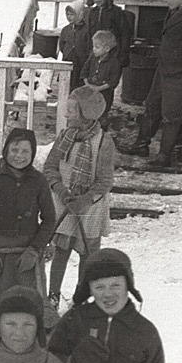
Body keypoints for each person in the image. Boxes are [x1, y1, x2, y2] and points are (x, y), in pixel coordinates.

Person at [0, 128, 56, 327]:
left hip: (26, 257)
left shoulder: (39, 181)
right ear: (6, 150)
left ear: (32, 154)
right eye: (15, 150)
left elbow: (49, 220)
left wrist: (35, 251)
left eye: (25, 151)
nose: (19, 156)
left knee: (29, 307)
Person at [119, 0, 182, 170]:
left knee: (171, 115)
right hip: (163, 71)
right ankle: (142, 145)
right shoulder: (176, 10)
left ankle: (164, 156)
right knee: (152, 106)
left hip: (177, 75)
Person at [43, 86, 116, 307]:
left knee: (87, 255)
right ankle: (53, 296)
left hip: (90, 208)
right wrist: (61, 190)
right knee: (61, 251)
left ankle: (80, 298)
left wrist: (85, 200)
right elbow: (50, 167)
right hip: (64, 202)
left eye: (71, 110)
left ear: (86, 113)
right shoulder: (66, 136)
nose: (66, 115)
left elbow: (104, 181)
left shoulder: (104, 142)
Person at [84, 0, 132, 70]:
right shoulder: (92, 13)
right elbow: (89, 33)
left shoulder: (116, 12)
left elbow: (125, 33)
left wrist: (122, 54)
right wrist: (89, 52)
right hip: (96, 52)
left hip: (112, 53)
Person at [82, 31, 123, 126]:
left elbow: (113, 81)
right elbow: (84, 70)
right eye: (93, 46)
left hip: (105, 94)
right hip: (90, 91)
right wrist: (87, 84)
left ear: (107, 48)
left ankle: (101, 132)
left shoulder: (115, 63)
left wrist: (99, 88)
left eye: (97, 47)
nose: (94, 49)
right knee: (88, 113)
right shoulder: (92, 58)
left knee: (101, 115)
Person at [59, 0, 91, 90]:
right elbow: (62, 45)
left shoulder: (86, 30)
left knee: (79, 85)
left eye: (72, 14)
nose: (69, 17)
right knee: (66, 84)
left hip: (81, 62)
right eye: (67, 15)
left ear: (79, 14)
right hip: (68, 60)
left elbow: (89, 46)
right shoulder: (65, 30)